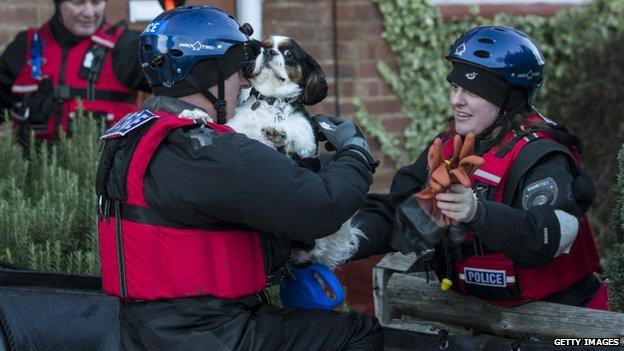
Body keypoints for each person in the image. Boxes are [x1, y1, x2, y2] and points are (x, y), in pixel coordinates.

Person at [95, 6, 383, 350]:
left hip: (145, 330)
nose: (244, 81)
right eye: (234, 72)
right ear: (205, 74)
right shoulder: (207, 150)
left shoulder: (134, 136)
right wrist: (355, 152)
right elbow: (322, 207)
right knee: (360, 331)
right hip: (216, 333)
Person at [350, 25, 607, 309]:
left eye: (471, 90)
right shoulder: (449, 144)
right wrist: (341, 242)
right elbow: (395, 212)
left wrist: (476, 211)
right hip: (473, 314)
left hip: (556, 317)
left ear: (509, 99)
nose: (455, 100)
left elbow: (547, 237)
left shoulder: (542, 155)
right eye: (455, 87)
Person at [0, 0, 150, 144]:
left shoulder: (126, 46)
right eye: (78, 2)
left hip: (104, 165)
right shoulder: (25, 46)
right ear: (58, 4)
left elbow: (170, 89)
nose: (89, 13)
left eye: (96, 2)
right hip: (35, 165)